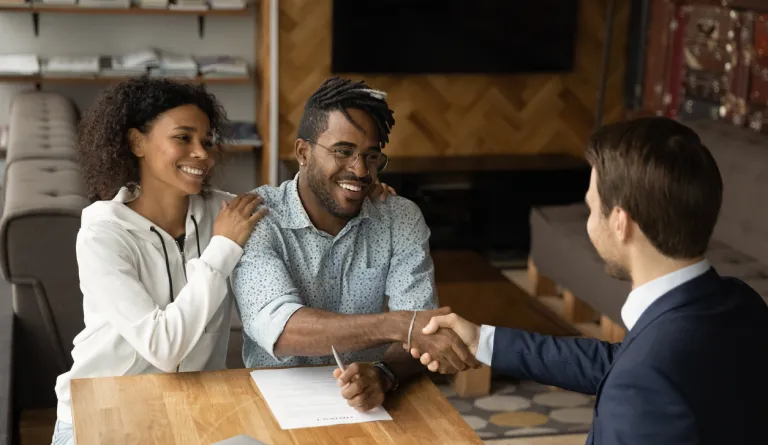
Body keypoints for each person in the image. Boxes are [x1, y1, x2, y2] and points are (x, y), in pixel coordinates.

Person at [411, 117, 768, 445]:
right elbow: (620, 362)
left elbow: (636, 373)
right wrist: (482, 342)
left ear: (620, 222)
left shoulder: (642, 384)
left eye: (591, 207)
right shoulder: (741, 302)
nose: (588, 221)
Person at [232, 77, 479, 413]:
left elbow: (422, 332)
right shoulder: (257, 218)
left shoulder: (399, 218)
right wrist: (400, 325)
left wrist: (384, 374)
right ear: (303, 152)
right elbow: (282, 329)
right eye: (343, 152)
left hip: (373, 406)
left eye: (372, 156)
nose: (361, 170)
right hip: (277, 404)